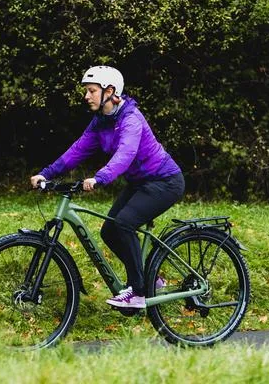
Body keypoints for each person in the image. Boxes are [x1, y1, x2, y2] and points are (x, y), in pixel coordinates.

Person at [30, 66, 185, 309]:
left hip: (164, 182)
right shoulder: (101, 122)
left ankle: (139, 292)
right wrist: (46, 173)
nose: (86, 96)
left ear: (110, 92)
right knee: (110, 231)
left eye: (91, 91)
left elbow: (126, 153)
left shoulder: (130, 119)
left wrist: (100, 177)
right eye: (87, 91)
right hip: (139, 183)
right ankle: (150, 279)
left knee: (124, 224)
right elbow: (77, 150)